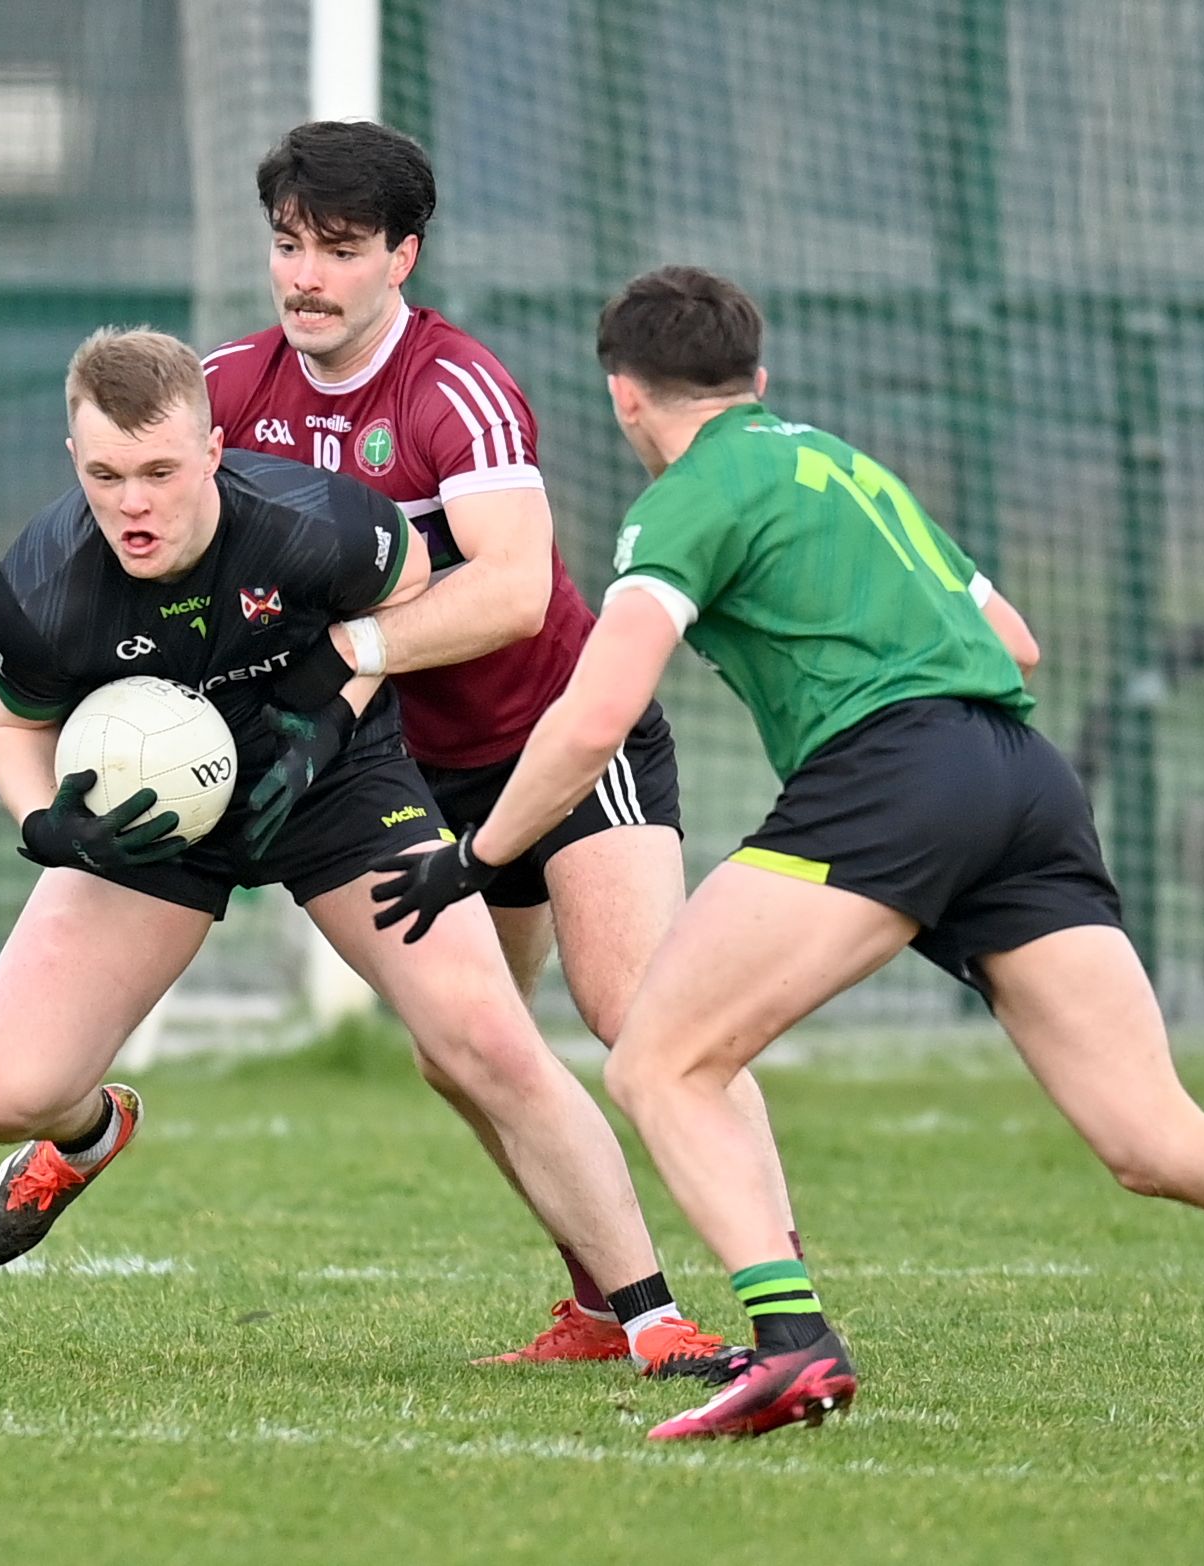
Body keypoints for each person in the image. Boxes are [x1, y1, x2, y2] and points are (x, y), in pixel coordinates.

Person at [374, 266, 1204, 1450]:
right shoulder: (844, 463)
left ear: (623, 394)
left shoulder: (681, 503)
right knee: (1153, 1134)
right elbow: (1014, 642)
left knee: (660, 1061)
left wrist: (477, 855)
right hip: (1024, 780)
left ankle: (793, 1345)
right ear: (757, 377)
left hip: (894, 780)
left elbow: (592, 715)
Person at [0, 326, 729, 1380]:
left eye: (160, 473)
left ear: (214, 450)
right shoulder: (43, 585)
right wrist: (46, 824)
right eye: (105, 475)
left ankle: (652, 1322)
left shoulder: (311, 520)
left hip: (332, 790)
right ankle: (90, 1136)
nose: (133, 504)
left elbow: (409, 582)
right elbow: (12, 724)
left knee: (486, 1039)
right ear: (72, 460)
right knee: (4, 1097)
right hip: (153, 824)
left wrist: (336, 710)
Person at [203, 120, 802, 1364]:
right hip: (406, 774)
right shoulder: (227, 393)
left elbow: (516, 590)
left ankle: (786, 1309)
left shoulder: (452, 387)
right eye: (289, 246)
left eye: (341, 251)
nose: (307, 277)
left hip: (561, 742)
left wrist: (350, 651)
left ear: (402, 257)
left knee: (642, 1017)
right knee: (468, 1051)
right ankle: (603, 1306)